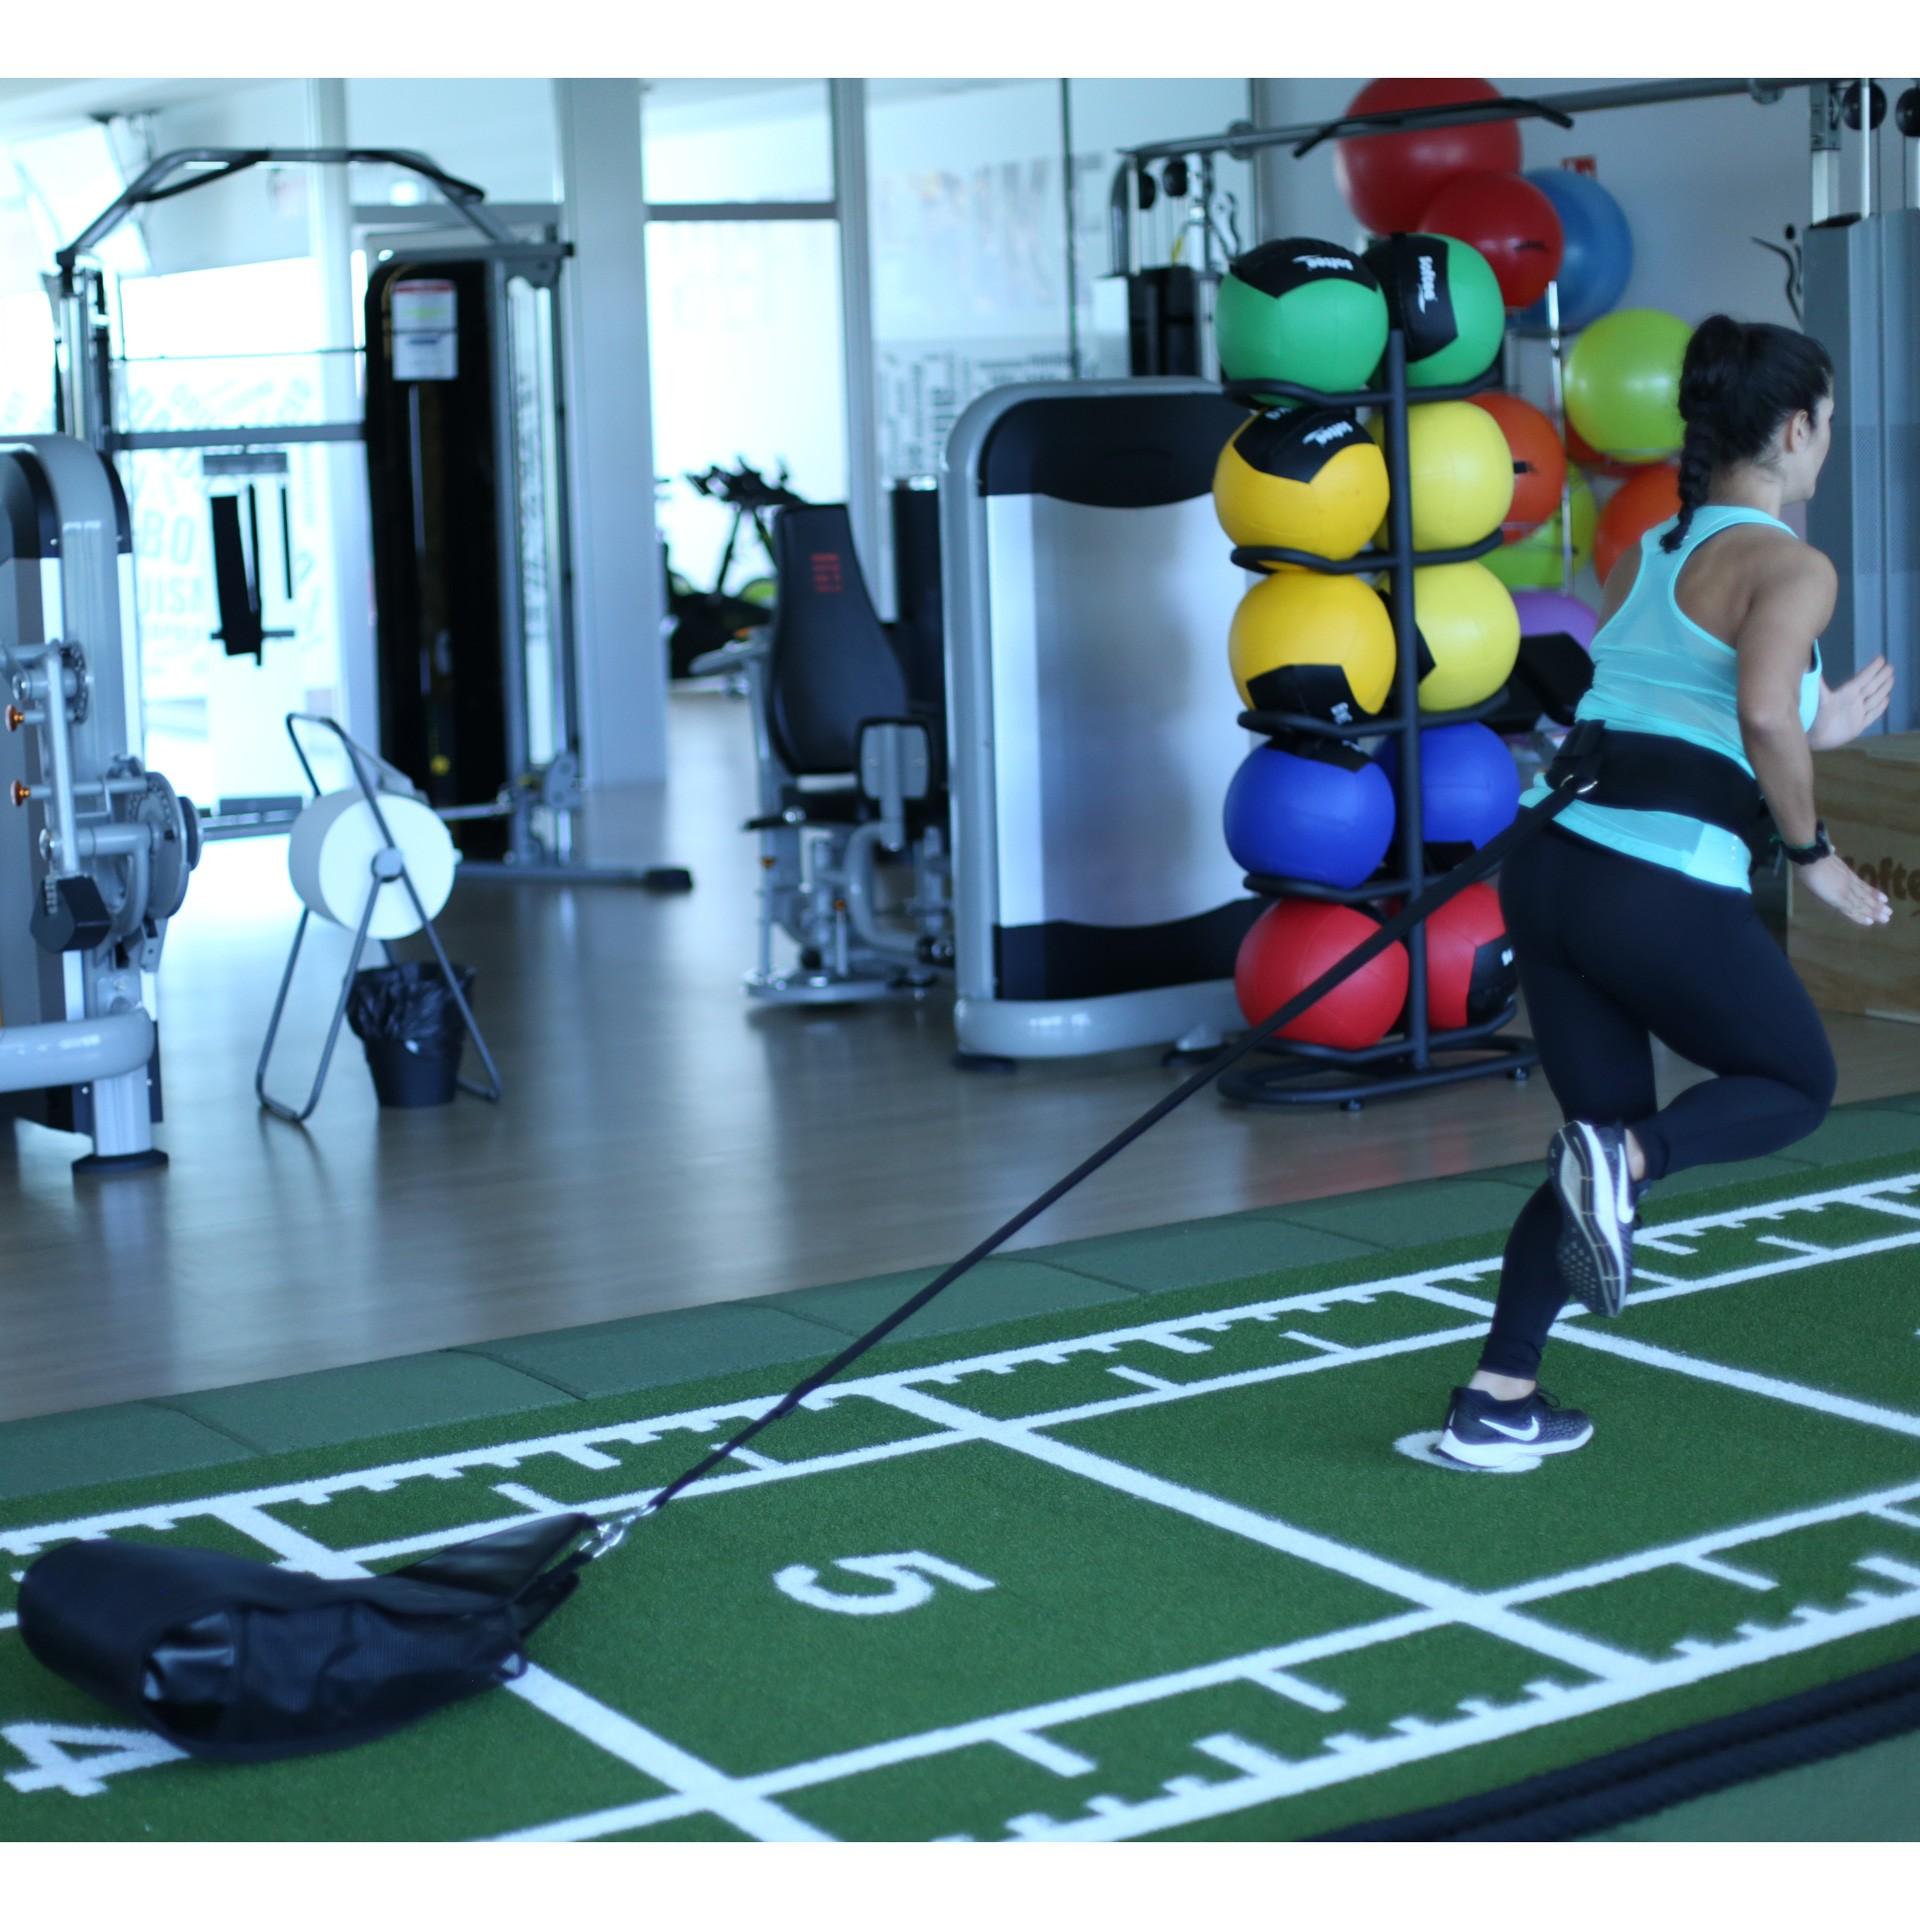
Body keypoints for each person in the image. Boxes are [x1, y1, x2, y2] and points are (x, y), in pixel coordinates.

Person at [1437, 314, 1897, 1471]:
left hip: (1553, 871)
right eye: (1825, 422)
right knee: (1794, 1082)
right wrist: (1814, 855)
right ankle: (1629, 1168)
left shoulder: (1652, 550)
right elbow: (1757, 715)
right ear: (1793, 431)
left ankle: (1497, 1398)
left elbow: (1696, 709)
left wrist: (1818, 724)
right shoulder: (1795, 567)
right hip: (1648, 882)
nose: (1825, 439)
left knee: (1594, 1142)